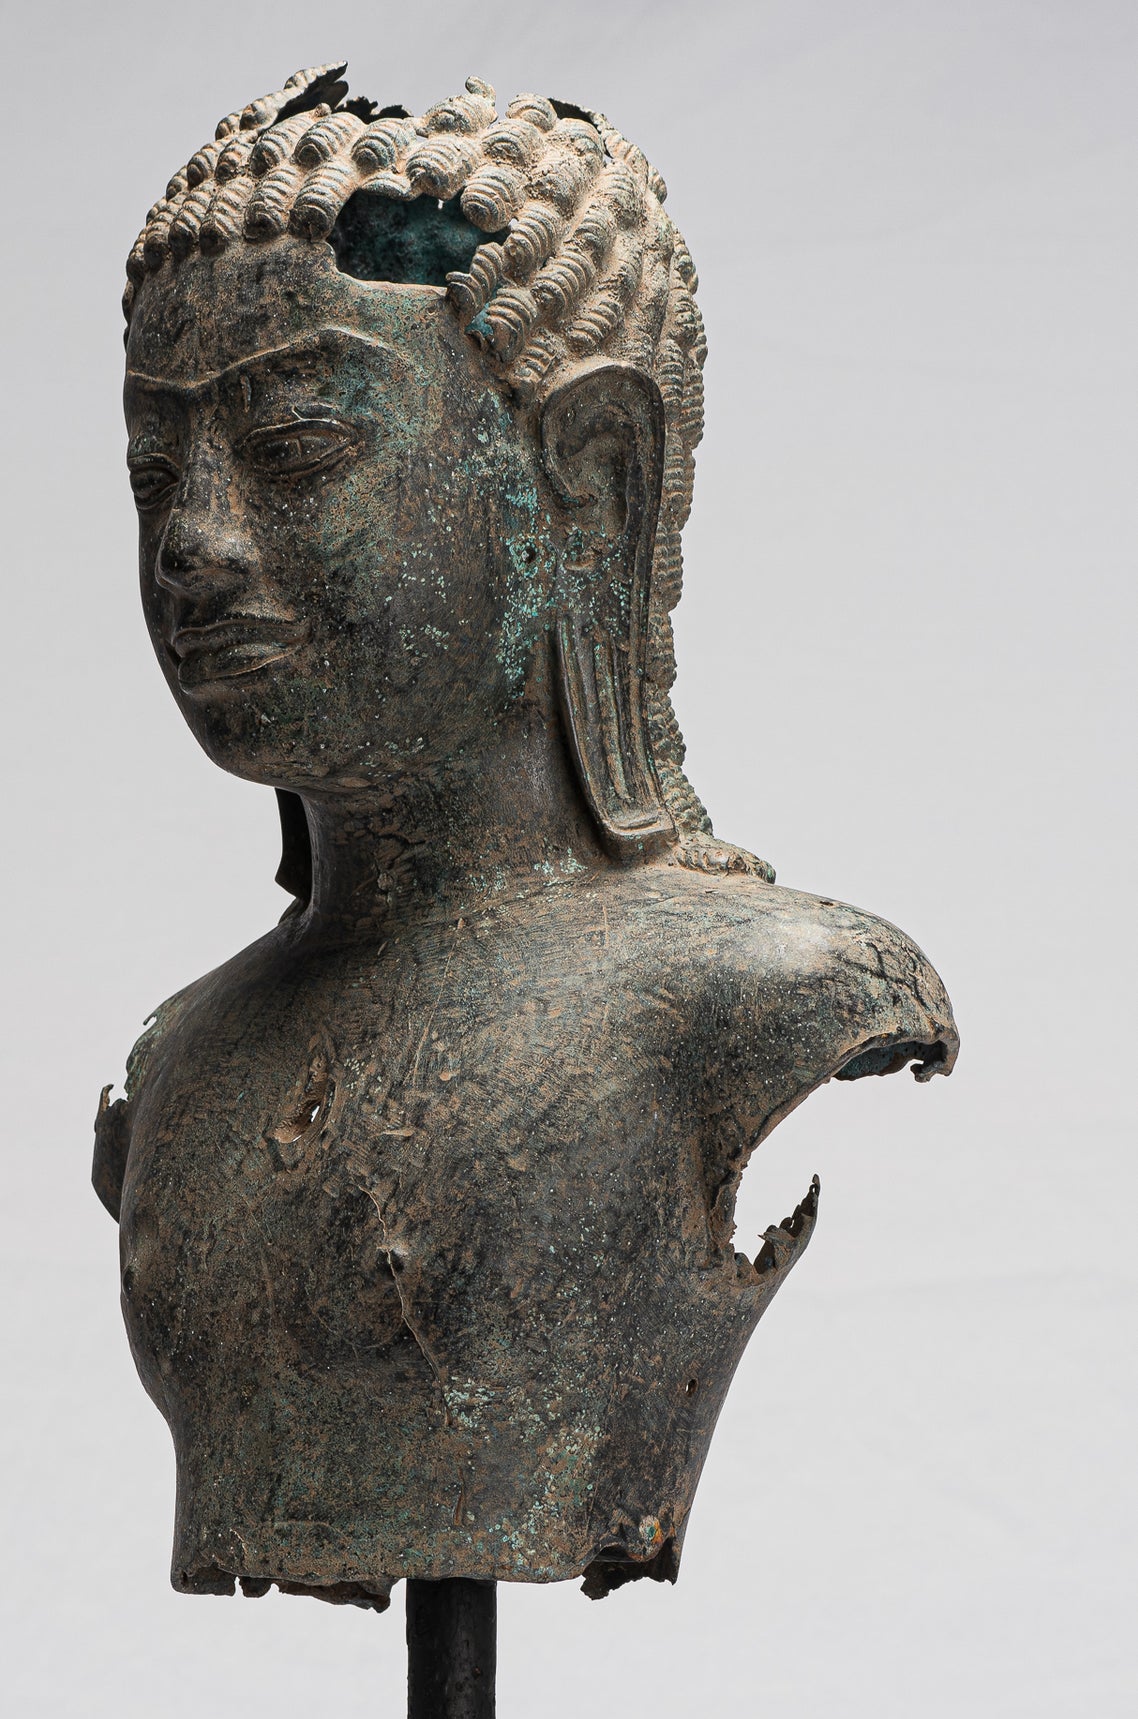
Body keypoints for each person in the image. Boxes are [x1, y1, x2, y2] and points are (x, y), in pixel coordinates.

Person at [93, 65, 958, 1610]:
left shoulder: (747, 996)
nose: (193, 544)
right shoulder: (186, 1059)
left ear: (585, 482)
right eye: (156, 474)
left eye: (296, 449)